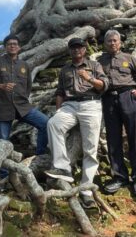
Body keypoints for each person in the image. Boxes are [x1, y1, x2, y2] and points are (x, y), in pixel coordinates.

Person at [45, 38, 108, 209]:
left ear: (84, 50)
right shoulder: (65, 69)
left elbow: (104, 85)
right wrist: (58, 110)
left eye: (79, 47)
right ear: (70, 51)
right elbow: (59, 92)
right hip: (70, 105)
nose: (76, 50)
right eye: (73, 48)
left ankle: (86, 192)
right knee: (53, 124)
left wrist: (89, 78)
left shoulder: (94, 66)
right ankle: (62, 167)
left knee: (90, 149)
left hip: (91, 104)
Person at [98, 30, 136, 196]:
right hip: (109, 100)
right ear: (105, 44)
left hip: (128, 97)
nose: (112, 43)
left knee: (135, 137)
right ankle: (120, 177)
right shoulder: (100, 61)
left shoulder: (129, 58)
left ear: (120, 43)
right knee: (113, 139)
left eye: (115, 40)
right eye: (109, 41)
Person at [0, 34, 49, 163]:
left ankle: (40, 156)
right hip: (2, 108)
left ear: (19, 47)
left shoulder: (24, 65)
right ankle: (5, 175)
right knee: (3, 142)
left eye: (15, 44)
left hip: (22, 106)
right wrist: (2, 86)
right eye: (9, 44)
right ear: (5, 47)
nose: (12, 46)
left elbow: (28, 86)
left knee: (46, 124)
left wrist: (22, 97)